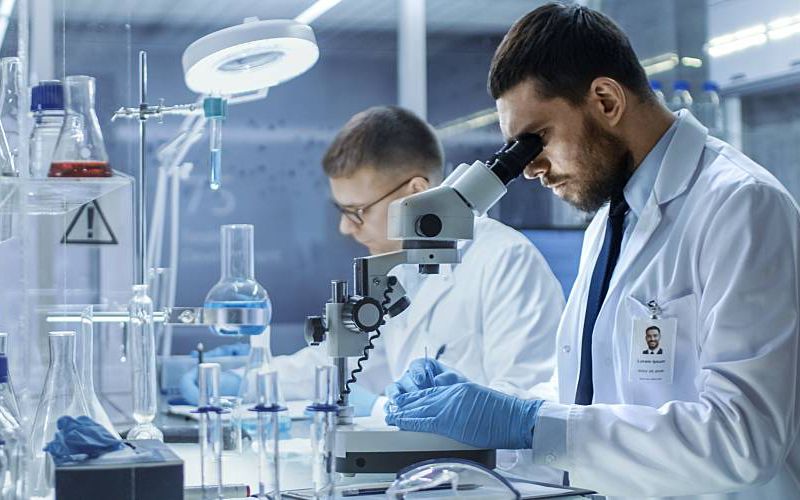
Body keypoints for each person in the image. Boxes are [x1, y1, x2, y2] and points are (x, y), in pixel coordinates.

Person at [384, 3, 800, 499]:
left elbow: (742, 440)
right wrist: (489, 408)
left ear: (605, 100)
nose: (531, 168)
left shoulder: (740, 204)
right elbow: (588, 399)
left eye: (534, 140)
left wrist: (526, 422)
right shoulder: (608, 221)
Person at [181, 106, 565, 417]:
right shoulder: (400, 269)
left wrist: (385, 409)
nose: (345, 228)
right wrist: (247, 376)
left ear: (416, 193)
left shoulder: (505, 261)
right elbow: (344, 366)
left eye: (357, 210)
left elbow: (528, 412)